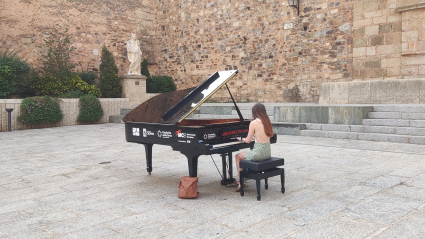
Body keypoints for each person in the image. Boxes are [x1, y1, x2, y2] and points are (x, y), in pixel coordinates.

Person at [234, 103, 273, 192]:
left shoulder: (253, 123)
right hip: (267, 153)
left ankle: (241, 182)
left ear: (254, 112)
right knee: (245, 155)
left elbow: (247, 141)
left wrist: (241, 138)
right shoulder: (267, 121)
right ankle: (243, 179)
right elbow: (264, 136)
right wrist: (255, 138)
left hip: (258, 154)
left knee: (238, 156)